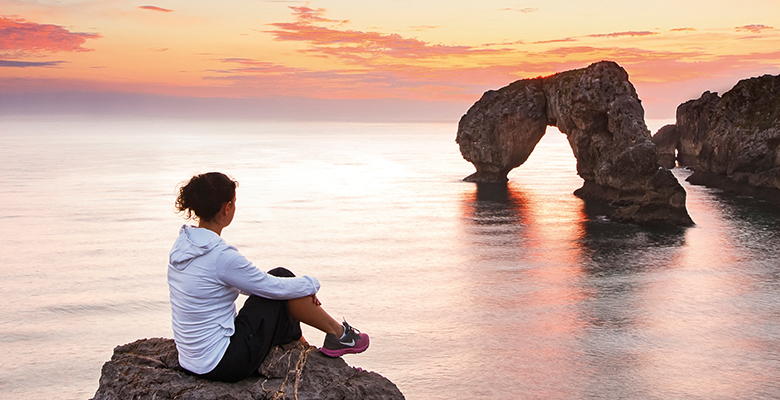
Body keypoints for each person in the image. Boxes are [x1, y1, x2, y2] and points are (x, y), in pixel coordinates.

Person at [168, 172, 369, 382]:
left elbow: (253, 285)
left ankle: (311, 342)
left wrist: (296, 288)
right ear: (227, 208)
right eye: (234, 203)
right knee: (282, 279)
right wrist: (310, 285)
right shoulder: (221, 256)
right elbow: (270, 287)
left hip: (191, 360)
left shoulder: (183, 244)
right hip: (222, 363)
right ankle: (339, 335)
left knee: (283, 283)